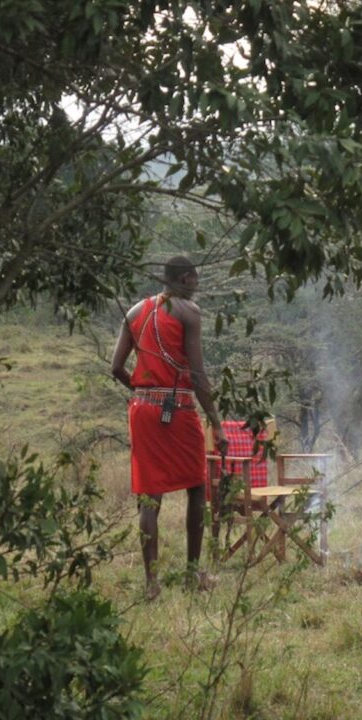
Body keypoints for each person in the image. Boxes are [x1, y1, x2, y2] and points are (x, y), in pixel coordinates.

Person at [111, 256, 228, 600]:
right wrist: (217, 423)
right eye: (195, 279)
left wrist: (143, 391)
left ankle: (152, 586)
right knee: (195, 486)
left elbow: (116, 367)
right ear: (185, 278)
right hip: (178, 409)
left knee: (150, 496)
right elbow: (198, 374)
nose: (197, 285)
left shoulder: (135, 311)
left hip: (143, 410)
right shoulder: (188, 312)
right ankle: (193, 576)